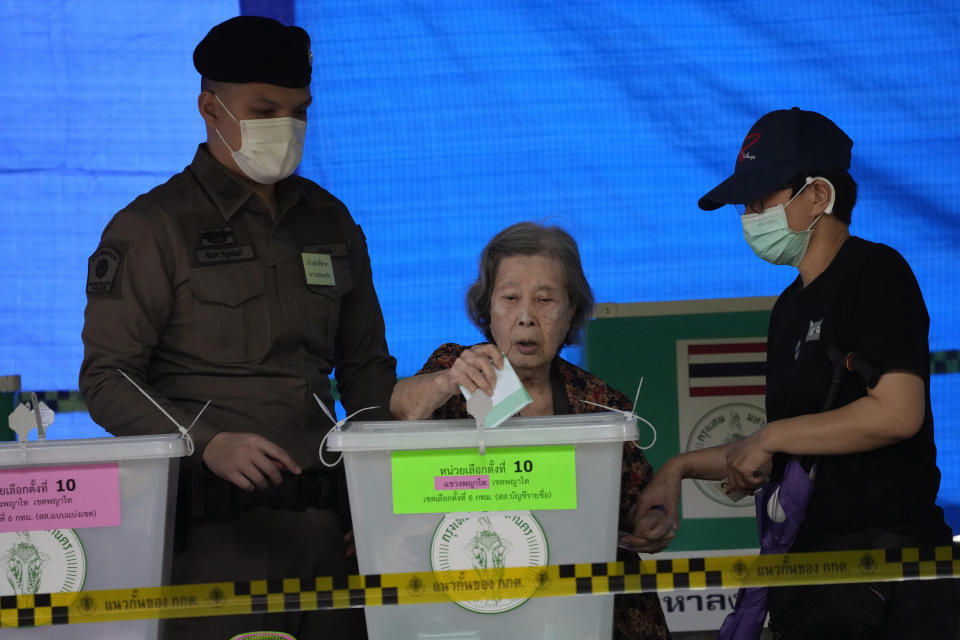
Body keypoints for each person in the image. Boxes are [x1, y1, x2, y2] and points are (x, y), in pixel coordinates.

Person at [79, 16, 397, 639]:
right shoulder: (152, 227)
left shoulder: (330, 222)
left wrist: (381, 496)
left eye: (299, 110)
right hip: (214, 549)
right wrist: (206, 439)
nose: (286, 126)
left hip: (332, 542)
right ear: (210, 107)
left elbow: (365, 372)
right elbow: (107, 378)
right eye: (265, 108)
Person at [629, 108, 957, 639]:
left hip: (887, 567)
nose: (748, 214)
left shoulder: (876, 271)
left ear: (819, 196)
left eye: (761, 198)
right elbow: (783, 444)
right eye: (743, 203)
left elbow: (898, 412)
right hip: (809, 569)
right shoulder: (787, 309)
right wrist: (678, 469)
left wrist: (773, 436)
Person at [390, 221, 674, 640]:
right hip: (479, 607)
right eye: (509, 298)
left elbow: (635, 504)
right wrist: (446, 381)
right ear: (487, 310)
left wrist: (653, 521)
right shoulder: (458, 370)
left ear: (572, 311)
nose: (526, 318)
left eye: (545, 300)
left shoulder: (598, 400)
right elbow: (400, 408)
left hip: (588, 612)